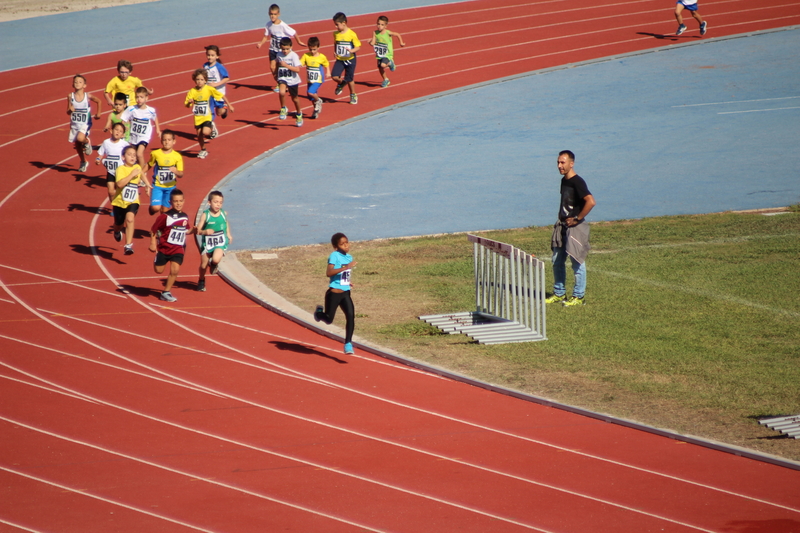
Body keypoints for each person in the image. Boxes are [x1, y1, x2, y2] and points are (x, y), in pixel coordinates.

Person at [546, 150, 596, 307]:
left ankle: (579, 296)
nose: (559, 166)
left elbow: (591, 201)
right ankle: (559, 293)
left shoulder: (577, 182)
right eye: (558, 162)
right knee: (557, 260)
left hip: (575, 228)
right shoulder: (564, 181)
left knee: (577, 262)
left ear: (571, 163)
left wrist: (577, 218)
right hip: (562, 226)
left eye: (563, 162)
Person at [314, 232, 357, 354]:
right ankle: (319, 314)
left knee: (350, 316)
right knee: (329, 319)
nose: (346, 246)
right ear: (336, 246)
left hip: (345, 293)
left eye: (347, 242)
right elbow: (329, 273)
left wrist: (348, 282)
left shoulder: (349, 257)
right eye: (342, 244)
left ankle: (348, 343)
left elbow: (344, 275)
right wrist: (346, 267)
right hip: (333, 293)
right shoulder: (334, 256)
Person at [149, 189, 193, 302]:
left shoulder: (184, 216)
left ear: (184, 201)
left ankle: (166, 292)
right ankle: (157, 259)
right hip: (164, 248)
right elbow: (153, 229)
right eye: (175, 201)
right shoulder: (165, 216)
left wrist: (195, 230)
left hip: (178, 248)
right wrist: (153, 243)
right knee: (158, 270)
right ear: (170, 202)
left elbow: (186, 231)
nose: (178, 203)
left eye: (180, 201)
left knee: (175, 270)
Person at [185, 68, 234, 159]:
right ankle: (203, 150)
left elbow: (221, 95)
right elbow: (187, 105)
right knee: (199, 136)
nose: (199, 81)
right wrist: (189, 102)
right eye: (198, 79)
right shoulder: (192, 91)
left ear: (205, 80)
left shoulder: (209, 89)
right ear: (194, 80)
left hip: (207, 116)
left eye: (202, 80)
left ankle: (211, 127)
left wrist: (229, 105)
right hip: (197, 117)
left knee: (206, 132)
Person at [111, 145, 152, 255]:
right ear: (123, 157)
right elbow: (119, 184)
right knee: (119, 224)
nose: (133, 157)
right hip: (120, 202)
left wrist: (147, 185)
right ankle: (116, 231)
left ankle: (128, 245)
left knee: (130, 218)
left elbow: (142, 174)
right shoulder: (121, 169)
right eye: (129, 155)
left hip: (133, 200)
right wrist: (131, 175)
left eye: (134, 155)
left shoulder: (137, 167)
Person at [256, 4, 306, 93]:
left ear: (278, 14)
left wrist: (299, 42)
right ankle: (280, 83)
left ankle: (284, 83)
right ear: (268, 14)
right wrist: (260, 43)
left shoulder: (282, 25)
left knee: (281, 68)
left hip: (282, 51)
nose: (272, 16)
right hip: (272, 49)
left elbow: (293, 32)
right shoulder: (268, 25)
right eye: (271, 14)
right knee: (272, 68)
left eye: (275, 14)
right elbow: (265, 36)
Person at [196, 190, 233, 292]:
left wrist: (228, 234)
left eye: (220, 202)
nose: (218, 205)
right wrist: (205, 231)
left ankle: (214, 264)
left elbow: (226, 224)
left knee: (216, 259)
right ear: (209, 202)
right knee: (203, 265)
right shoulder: (206, 215)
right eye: (216, 202)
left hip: (220, 242)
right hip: (207, 243)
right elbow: (198, 230)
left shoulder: (223, 213)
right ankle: (201, 280)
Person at [67, 74, 102, 173]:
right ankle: (83, 161)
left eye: (80, 82)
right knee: (77, 145)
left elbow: (99, 101)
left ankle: (87, 142)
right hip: (75, 124)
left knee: (80, 138)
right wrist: (70, 110)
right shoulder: (70, 96)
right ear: (73, 84)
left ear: (84, 85)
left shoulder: (88, 96)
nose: (77, 83)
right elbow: (68, 111)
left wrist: (98, 113)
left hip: (85, 123)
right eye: (76, 82)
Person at [145, 130, 184, 215]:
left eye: (169, 140)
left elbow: (181, 174)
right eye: (164, 140)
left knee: (165, 211)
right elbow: (148, 165)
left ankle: (160, 228)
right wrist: (141, 175)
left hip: (170, 187)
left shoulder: (177, 156)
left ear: (174, 141)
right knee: (156, 208)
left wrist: (176, 171)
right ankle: (152, 209)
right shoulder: (155, 153)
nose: (167, 142)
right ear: (161, 141)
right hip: (157, 186)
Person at [120, 86, 160, 169]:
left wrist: (158, 130)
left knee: (139, 154)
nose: (139, 99)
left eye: (141, 97)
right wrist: (122, 129)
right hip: (134, 136)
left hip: (144, 136)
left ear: (146, 98)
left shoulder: (150, 110)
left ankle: (141, 174)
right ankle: (139, 168)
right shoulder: (131, 109)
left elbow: (155, 118)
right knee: (134, 156)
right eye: (137, 97)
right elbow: (123, 119)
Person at [96, 122, 130, 204]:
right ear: (111, 131)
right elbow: (100, 154)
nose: (118, 132)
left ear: (123, 135)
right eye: (116, 130)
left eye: (120, 131)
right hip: (110, 171)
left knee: (120, 189)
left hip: (121, 171)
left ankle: (120, 205)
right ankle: (115, 207)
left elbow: (130, 153)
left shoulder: (124, 144)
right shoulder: (106, 142)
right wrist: (98, 159)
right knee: (111, 191)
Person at [367, 15, 405, 88]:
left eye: (382, 25)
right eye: (378, 24)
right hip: (379, 53)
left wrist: (401, 42)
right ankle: (386, 79)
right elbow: (373, 43)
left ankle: (391, 63)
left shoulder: (388, 33)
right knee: (380, 67)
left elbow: (397, 34)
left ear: (386, 26)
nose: (379, 26)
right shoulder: (375, 33)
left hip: (387, 54)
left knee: (383, 65)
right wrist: (370, 41)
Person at [331, 12, 361, 105]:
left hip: (350, 59)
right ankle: (341, 83)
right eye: (335, 25)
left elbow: (358, 46)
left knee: (350, 79)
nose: (336, 27)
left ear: (344, 23)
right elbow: (336, 43)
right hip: (340, 59)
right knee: (334, 76)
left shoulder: (351, 34)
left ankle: (353, 94)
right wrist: (335, 51)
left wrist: (352, 50)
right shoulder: (336, 34)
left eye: (337, 25)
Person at [202, 45, 230, 140]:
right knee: (210, 111)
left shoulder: (219, 67)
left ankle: (224, 109)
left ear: (217, 56)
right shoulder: (205, 66)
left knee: (219, 112)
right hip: (209, 93)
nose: (210, 57)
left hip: (219, 92)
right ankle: (212, 126)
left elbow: (227, 77)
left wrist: (217, 84)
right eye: (208, 55)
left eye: (212, 55)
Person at [275, 37, 304, 127]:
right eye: (283, 49)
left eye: (287, 49)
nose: (285, 51)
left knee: (294, 99)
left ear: (291, 47)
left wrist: (286, 65)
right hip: (283, 77)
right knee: (282, 92)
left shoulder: (293, 56)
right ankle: (283, 108)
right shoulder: (279, 54)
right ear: (280, 47)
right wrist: (276, 73)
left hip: (293, 80)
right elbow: (277, 63)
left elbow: (297, 70)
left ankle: (299, 114)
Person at [300, 36, 330, 119]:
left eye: (314, 49)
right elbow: (301, 63)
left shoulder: (322, 57)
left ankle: (319, 100)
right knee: (310, 96)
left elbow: (326, 64)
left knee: (310, 92)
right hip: (310, 79)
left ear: (318, 48)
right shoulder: (306, 55)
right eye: (311, 49)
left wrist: (328, 72)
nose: (312, 51)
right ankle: (316, 110)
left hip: (318, 79)